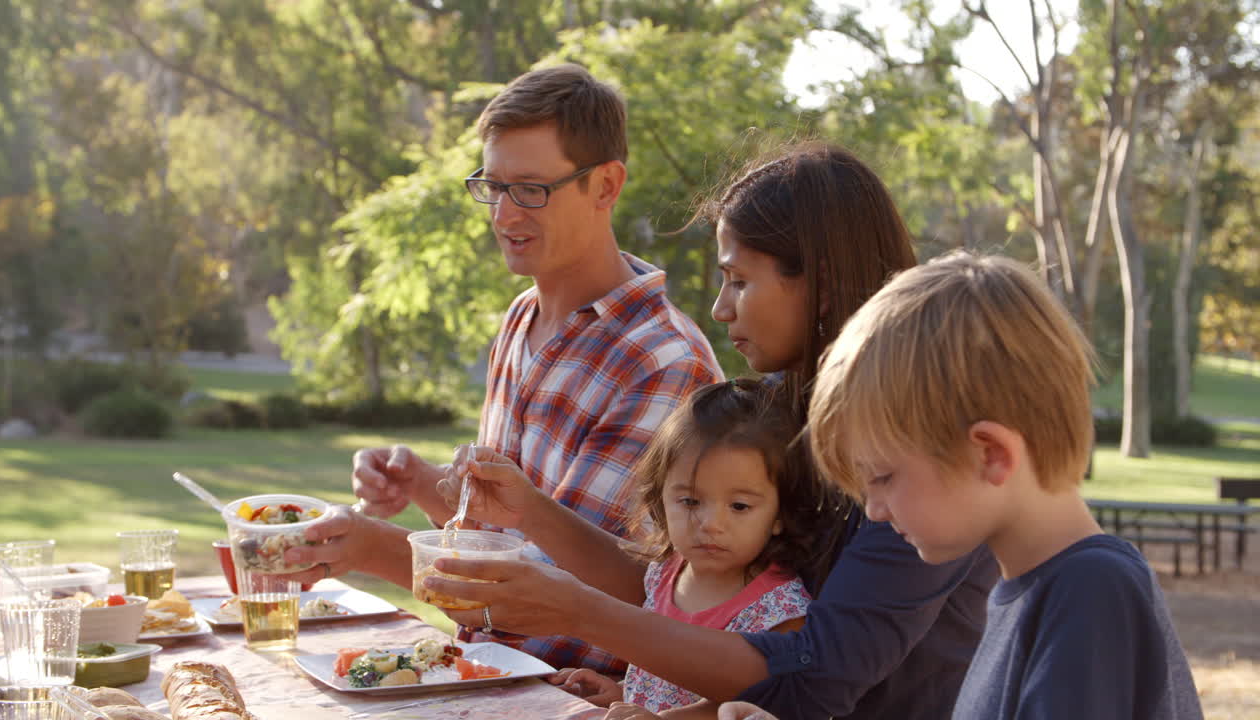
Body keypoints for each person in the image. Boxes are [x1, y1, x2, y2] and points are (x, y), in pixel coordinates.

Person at [424, 142, 999, 720]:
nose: (721, 309)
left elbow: (818, 676)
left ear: (820, 284)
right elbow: (681, 583)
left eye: (739, 281)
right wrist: (529, 511)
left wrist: (578, 612)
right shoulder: (781, 415)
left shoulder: (919, 452)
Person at [284, 64, 722, 674]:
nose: (504, 217)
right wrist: (424, 483)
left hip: (574, 698)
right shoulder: (523, 315)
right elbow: (515, 527)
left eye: (531, 190)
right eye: (493, 187)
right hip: (482, 674)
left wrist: (374, 549)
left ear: (605, 185)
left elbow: (584, 592)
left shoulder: (662, 363)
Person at [806, 251, 1203, 720]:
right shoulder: (1028, 589)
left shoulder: (1090, 591)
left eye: (883, 478)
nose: (873, 510)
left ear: (990, 453)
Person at [552, 379, 815, 713]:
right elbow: (664, 682)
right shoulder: (665, 573)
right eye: (690, 501)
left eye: (739, 507)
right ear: (661, 499)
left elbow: (760, 705)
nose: (711, 524)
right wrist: (621, 692)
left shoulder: (781, 611)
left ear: (780, 513)